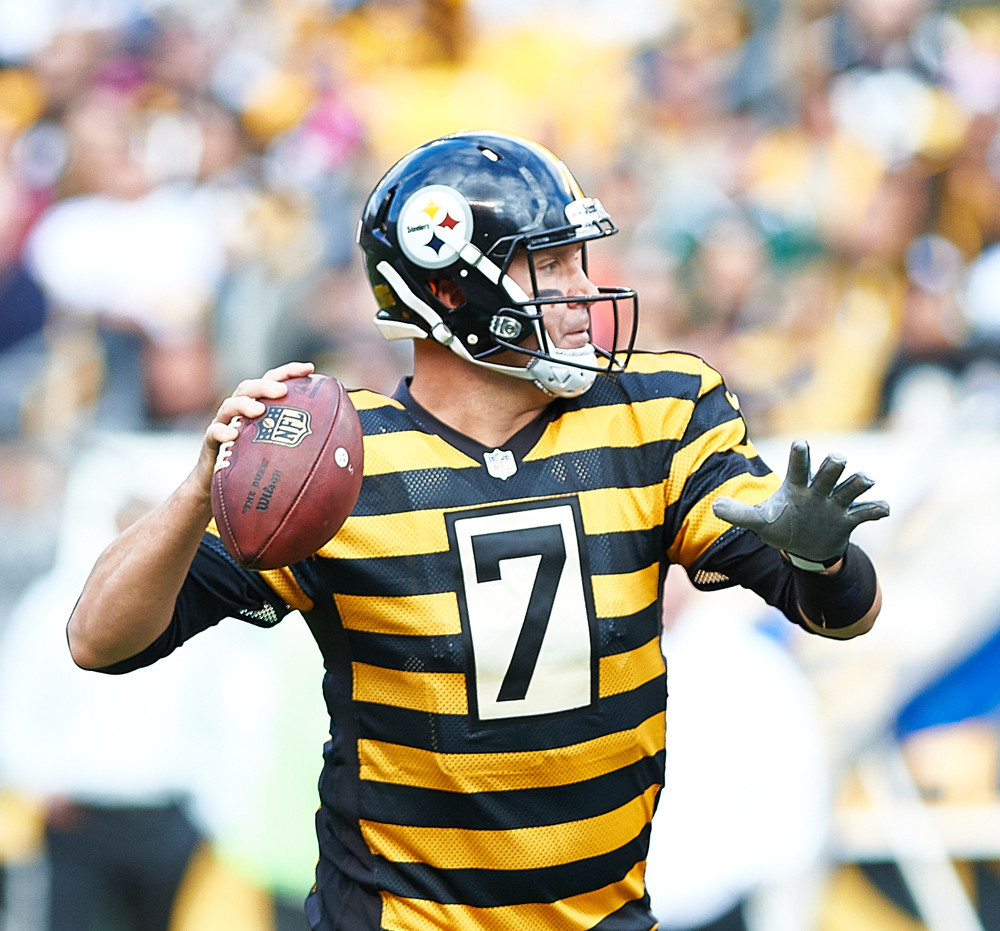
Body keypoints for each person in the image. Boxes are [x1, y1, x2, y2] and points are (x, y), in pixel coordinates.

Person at [67, 130, 889, 931]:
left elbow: (842, 612)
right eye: (552, 266)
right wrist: (197, 492)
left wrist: (823, 557)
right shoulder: (338, 466)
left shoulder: (658, 413)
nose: (582, 291)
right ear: (454, 291)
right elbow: (100, 640)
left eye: (579, 260)